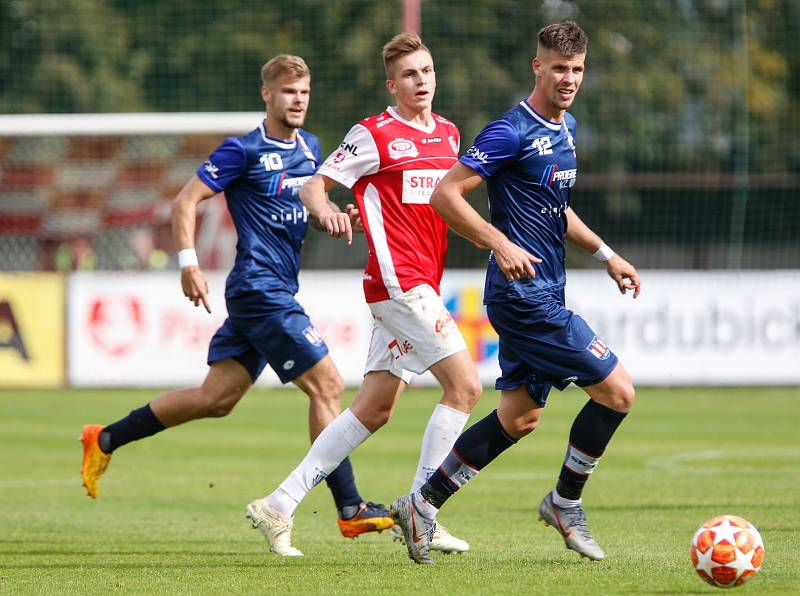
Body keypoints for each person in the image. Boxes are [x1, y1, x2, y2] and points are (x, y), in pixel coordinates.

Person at [79, 55, 393, 554]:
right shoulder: (241, 151)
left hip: (275, 292)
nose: (298, 100)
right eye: (289, 91)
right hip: (257, 289)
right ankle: (350, 508)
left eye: (305, 92)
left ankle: (104, 439)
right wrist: (188, 263)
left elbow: (306, 209)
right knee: (329, 385)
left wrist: (333, 215)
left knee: (215, 399)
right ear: (266, 94)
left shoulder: (311, 149)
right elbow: (185, 202)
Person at [391, 21, 641, 565]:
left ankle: (422, 504)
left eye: (576, 69)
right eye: (558, 68)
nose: (568, 78)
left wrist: (606, 255)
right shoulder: (509, 131)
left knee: (518, 419)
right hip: (523, 297)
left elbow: (558, 209)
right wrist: (500, 242)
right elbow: (445, 194)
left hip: (546, 289)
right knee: (618, 391)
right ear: (538, 67)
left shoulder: (566, 127)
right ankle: (564, 503)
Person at [245, 33, 483, 557]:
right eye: (410, 75)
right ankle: (425, 509)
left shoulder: (448, 134)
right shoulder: (374, 134)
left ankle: (278, 505)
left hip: (423, 283)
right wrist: (325, 211)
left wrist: (495, 244)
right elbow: (314, 184)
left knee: (373, 409)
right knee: (465, 388)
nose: (421, 81)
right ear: (391, 84)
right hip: (399, 284)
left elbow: (447, 207)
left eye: (427, 71)